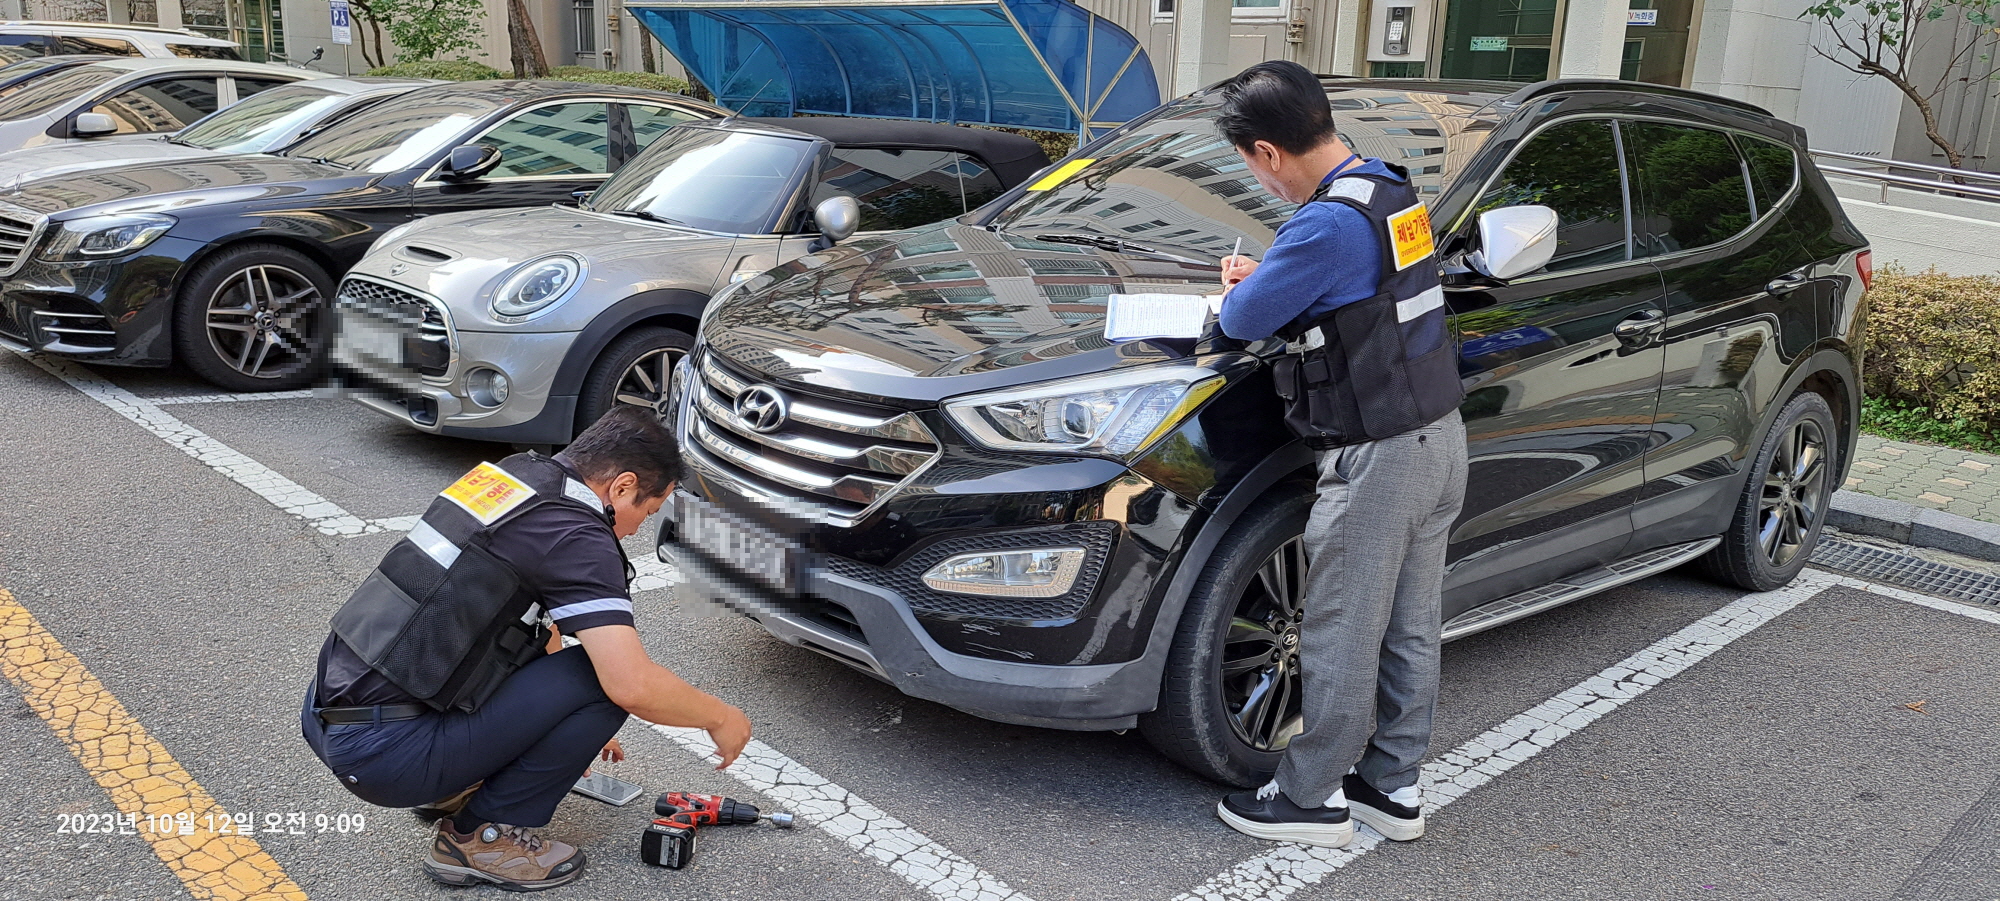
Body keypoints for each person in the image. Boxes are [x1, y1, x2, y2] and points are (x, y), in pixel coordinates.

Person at [299, 406, 752, 891]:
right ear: (621, 486)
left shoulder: (511, 476)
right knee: (601, 683)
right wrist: (721, 717)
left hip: (328, 716)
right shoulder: (576, 533)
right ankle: (480, 839)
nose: (639, 527)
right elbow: (632, 686)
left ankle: (451, 790)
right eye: (647, 508)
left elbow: (525, 621)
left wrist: (558, 726)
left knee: (584, 676)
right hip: (386, 757)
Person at [1209, 60, 1470, 849]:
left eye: (1251, 168)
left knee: (1341, 627)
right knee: (1409, 624)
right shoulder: (1388, 188)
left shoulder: (1322, 224)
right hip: (1439, 439)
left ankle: (1309, 796)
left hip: (1380, 456)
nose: (1261, 184)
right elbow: (1367, 292)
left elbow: (1244, 319)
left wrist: (1244, 288)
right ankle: (1392, 783)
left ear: (1268, 152)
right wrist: (1284, 275)